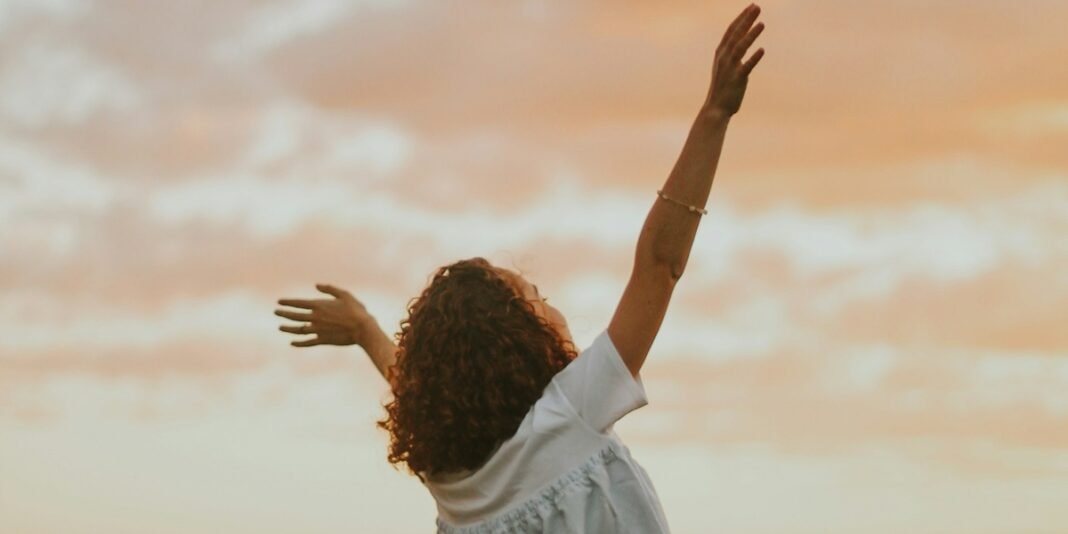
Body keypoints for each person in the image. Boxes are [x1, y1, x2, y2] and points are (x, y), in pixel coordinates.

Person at [273, 4, 765, 532]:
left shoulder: (452, 480)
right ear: (518, 342)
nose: (550, 305)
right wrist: (715, 115)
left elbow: (423, 390)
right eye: (533, 299)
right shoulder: (572, 411)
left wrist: (368, 332)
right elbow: (659, 266)